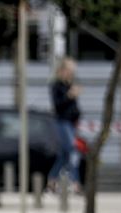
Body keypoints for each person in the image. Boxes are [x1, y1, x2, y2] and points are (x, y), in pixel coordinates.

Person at [48, 57, 82, 194]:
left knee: (63, 155)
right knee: (73, 151)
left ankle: (51, 180)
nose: (72, 73)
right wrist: (70, 95)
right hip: (63, 122)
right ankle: (75, 183)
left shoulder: (69, 85)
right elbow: (58, 105)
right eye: (70, 70)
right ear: (62, 70)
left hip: (71, 123)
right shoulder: (57, 86)